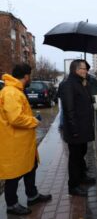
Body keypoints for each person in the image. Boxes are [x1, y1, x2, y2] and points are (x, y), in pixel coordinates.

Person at [0, 64, 52, 216]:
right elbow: (15, 118)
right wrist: (34, 121)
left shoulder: (15, 91)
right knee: (13, 175)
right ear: (26, 76)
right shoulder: (11, 93)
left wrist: (31, 118)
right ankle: (11, 204)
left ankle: (33, 196)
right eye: (30, 75)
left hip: (22, 141)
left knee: (31, 167)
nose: (31, 78)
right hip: (13, 143)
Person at [60, 59, 95, 197]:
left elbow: (85, 101)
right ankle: (73, 186)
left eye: (86, 69)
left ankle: (82, 177)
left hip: (83, 128)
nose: (86, 71)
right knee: (74, 158)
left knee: (82, 153)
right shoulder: (68, 85)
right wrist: (74, 130)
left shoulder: (82, 83)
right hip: (76, 130)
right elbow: (69, 110)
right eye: (83, 68)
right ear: (75, 70)